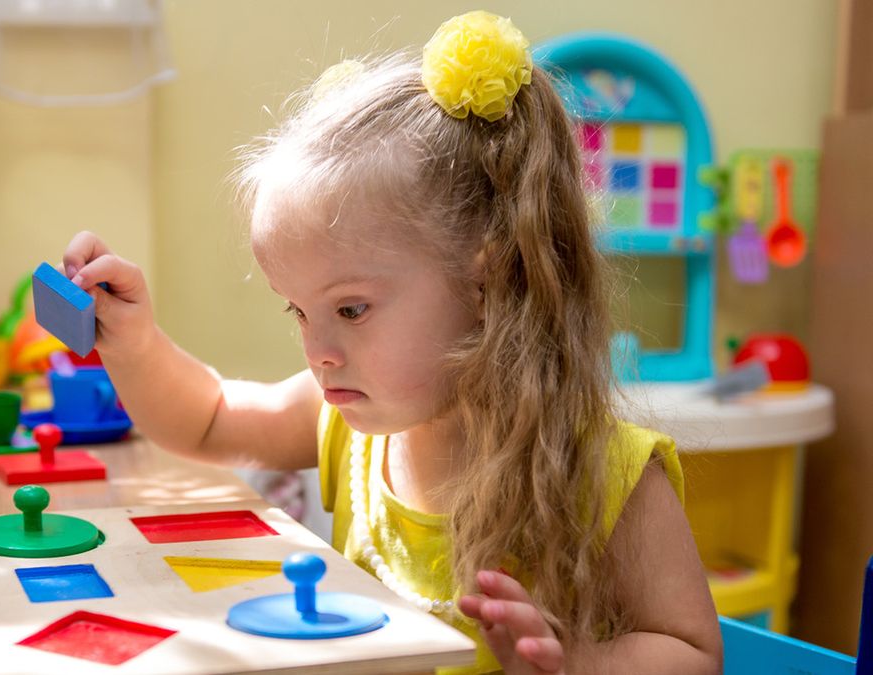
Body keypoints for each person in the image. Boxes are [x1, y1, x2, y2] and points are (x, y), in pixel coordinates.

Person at [62, 10, 721, 674]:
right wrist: (134, 343)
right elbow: (206, 420)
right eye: (299, 310)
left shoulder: (603, 471)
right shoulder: (350, 425)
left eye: (351, 308)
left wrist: (579, 662)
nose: (317, 348)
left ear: (487, 281)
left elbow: (694, 650)